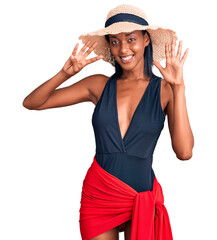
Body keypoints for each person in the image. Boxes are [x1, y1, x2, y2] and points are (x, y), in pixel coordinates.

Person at [23, 4, 194, 240]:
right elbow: (32, 102)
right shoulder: (98, 85)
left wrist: (179, 87)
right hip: (100, 195)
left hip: (140, 194)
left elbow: (184, 152)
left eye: (131, 39)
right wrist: (66, 73)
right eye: (115, 41)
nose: (123, 48)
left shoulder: (164, 90)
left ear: (146, 40)